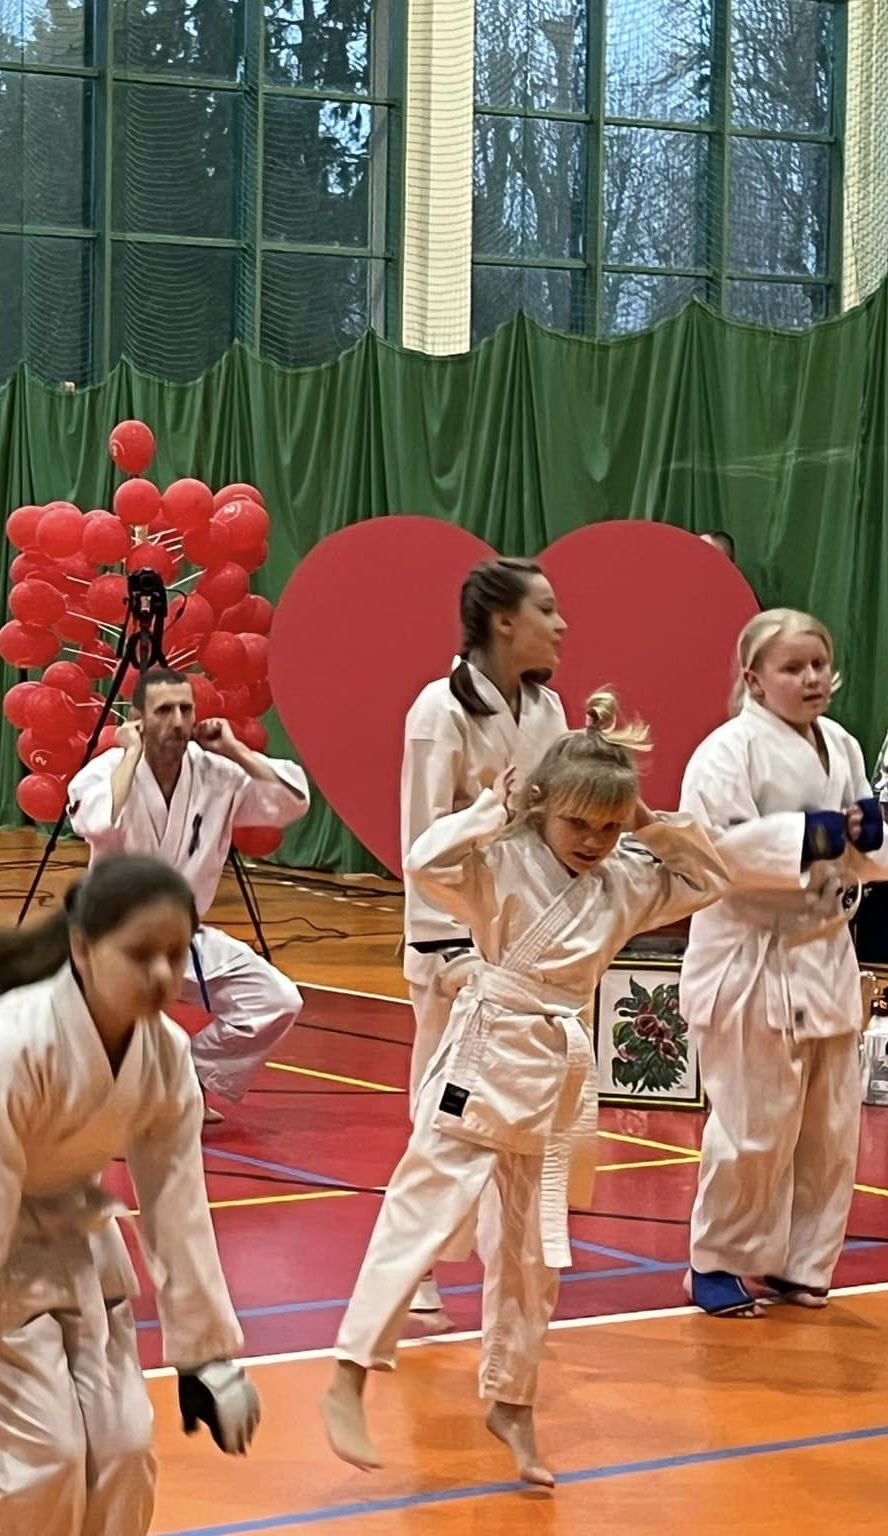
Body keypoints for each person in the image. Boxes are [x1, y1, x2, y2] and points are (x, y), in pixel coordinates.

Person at [323, 695, 727, 1486]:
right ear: (539, 805)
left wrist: (649, 824)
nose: (594, 841)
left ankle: (512, 1401)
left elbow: (708, 877)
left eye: (609, 826)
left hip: (554, 1074)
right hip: (483, 1057)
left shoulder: (624, 879)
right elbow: (425, 863)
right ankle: (351, 1368)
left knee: (530, 1255)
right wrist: (488, 810)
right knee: (421, 1211)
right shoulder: (500, 860)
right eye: (579, 822)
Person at [0, 855, 260, 1534]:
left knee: (125, 1450)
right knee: (43, 1462)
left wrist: (206, 1352)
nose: (162, 974)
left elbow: (177, 1208)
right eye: (140, 954)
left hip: (71, 1221)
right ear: (82, 949)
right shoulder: (3, 1046)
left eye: (176, 955)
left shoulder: (167, 1053)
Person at [680, 611, 888, 1318]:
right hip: (749, 957)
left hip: (826, 952)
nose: (812, 678)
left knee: (830, 1125)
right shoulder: (725, 753)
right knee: (754, 1124)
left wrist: (869, 836)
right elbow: (711, 852)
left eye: (819, 664)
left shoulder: (841, 744)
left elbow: (872, 850)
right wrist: (815, 835)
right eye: (792, 668)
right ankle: (714, 1261)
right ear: (754, 679)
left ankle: (801, 1263)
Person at [397, 558, 569, 1312]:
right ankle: (416, 1262)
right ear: (504, 622)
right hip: (455, 943)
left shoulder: (550, 710)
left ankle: (516, 1261)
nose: (561, 625)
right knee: (447, 1105)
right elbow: (422, 838)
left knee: (523, 1108)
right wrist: (444, 948)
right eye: (546, 610)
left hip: (530, 942)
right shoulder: (439, 710)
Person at [67, 667, 311, 1118]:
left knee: (275, 1001)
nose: (178, 721)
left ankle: (187, 1082)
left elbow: (291, 803)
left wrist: (235, 750)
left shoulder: (217, 772)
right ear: (137, 719)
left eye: (186, 709)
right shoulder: (106, 771)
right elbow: (99, 822)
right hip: (112, 939)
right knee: (131, 1035)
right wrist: (130, 755)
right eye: (163, 711)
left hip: (184, 936)